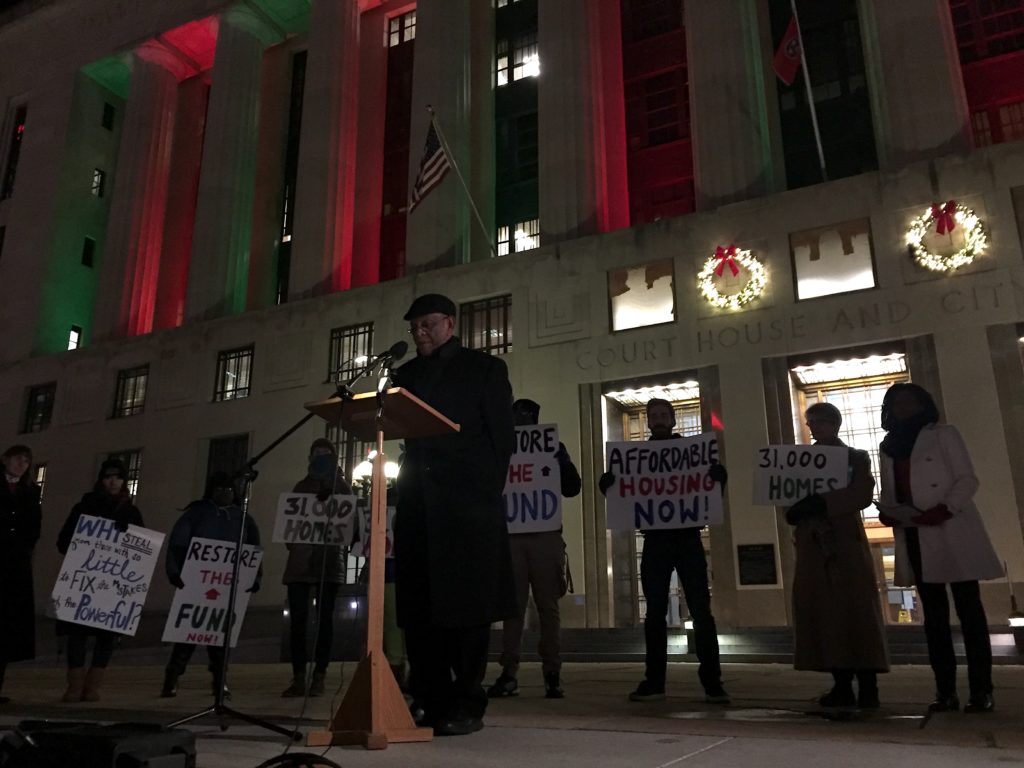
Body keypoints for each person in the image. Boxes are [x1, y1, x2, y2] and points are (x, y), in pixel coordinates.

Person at [393, 293, 516, 736]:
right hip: (418, 508)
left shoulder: (484, 369)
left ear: (449, 322)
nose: (419, 333)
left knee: (466, 608)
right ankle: (426, 696)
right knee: (420, 607)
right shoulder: (403, 375)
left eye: (426, 325)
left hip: (466, 510)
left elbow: (502, 440)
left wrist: (481, 494)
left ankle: (466, 701)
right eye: (413, 328)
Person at [877, 382, 1001, 714]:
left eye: (909, 401)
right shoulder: (888, 446)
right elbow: (894, 490)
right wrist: (888, 511)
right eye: (896, 402)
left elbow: (967, 478)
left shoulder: (944, 434)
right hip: (916, 533)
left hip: (951, 528)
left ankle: (981, 691)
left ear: (923, 404)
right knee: (933, 619)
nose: (903, 407)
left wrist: (946, 508)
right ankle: (945, 691)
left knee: (970, 613)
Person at [599, 398, 729, 704]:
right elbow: (626, 498)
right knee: (654, 613)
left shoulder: (692, 454)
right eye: (653, 415)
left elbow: (706, 494)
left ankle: (713, 682)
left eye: (662, 415)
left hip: (687, 538)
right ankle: (655, 680)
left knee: (701, 611)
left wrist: (717, 481)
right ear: (648, 422)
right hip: (655, 540)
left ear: (672, 420)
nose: (657, 419)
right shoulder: (634, 458)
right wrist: (609, 486)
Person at [784, 403, 889, 710]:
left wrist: (822, 503)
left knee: (856, 609)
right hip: (812, 544)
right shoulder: (800, 460)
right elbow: (787, 492)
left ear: (835, 423)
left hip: (844, 541)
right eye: (810, 422)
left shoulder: (854, 457)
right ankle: (841, 682)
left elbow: (861, 494)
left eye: (820, 421)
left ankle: (869, 685)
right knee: (824, 612)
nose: (815, 427)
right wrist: (794, 510)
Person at [487, 398, 581, 699]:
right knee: (512, 608)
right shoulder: (500, 451)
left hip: (544, 536)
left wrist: (561, 462)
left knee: (548, 607)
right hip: (512, 537)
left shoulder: (553, 448)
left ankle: (552, 672)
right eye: (518, 415)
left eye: (529, 416)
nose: (523, 420)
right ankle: (509, 671)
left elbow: (572, 487)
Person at [161, 472, 262, 699]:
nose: (224, 493)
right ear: (211, 490)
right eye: (219, 488)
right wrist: (175, 572)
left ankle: (219, 681)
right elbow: (177, 544)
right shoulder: (196, 514)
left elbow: (254, 551)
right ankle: (172, 677)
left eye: (228, 489)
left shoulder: (243, 518)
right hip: (196, 583)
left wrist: (254, 578)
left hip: (227, 586)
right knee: (187, 634)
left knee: (221, 636)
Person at [56, 459, 144, 702]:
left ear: (124, 481)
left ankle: (92, 686)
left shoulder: (131, 511)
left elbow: (140, 553)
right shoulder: (84, 507)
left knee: (106, 635)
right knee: (77, 634)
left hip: (114, 584)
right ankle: (74, 686)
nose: (113, 481)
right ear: (101, 480)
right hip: (85, 579)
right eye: (108, 477)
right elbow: (63, 541)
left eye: (118, 477)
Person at [281, 438, 352, 698]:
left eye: (326, 453)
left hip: (328, 564)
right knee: (297, 624)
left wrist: (333, 489)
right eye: (317, 453)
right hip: (300, 563)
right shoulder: (300, 487)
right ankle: (298, 677)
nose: (321, 456)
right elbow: (290, 525)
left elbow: (349, 522)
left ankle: (319, 676)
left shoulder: (343, 487)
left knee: (324, 622)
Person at [0, 444, 41, 705]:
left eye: (26, 461)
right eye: (18, 459)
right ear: (6, 460)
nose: (21, 464)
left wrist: (25, 546)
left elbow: (34, 524)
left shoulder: (29, 492)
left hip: (14, 567)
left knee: (6, 628)